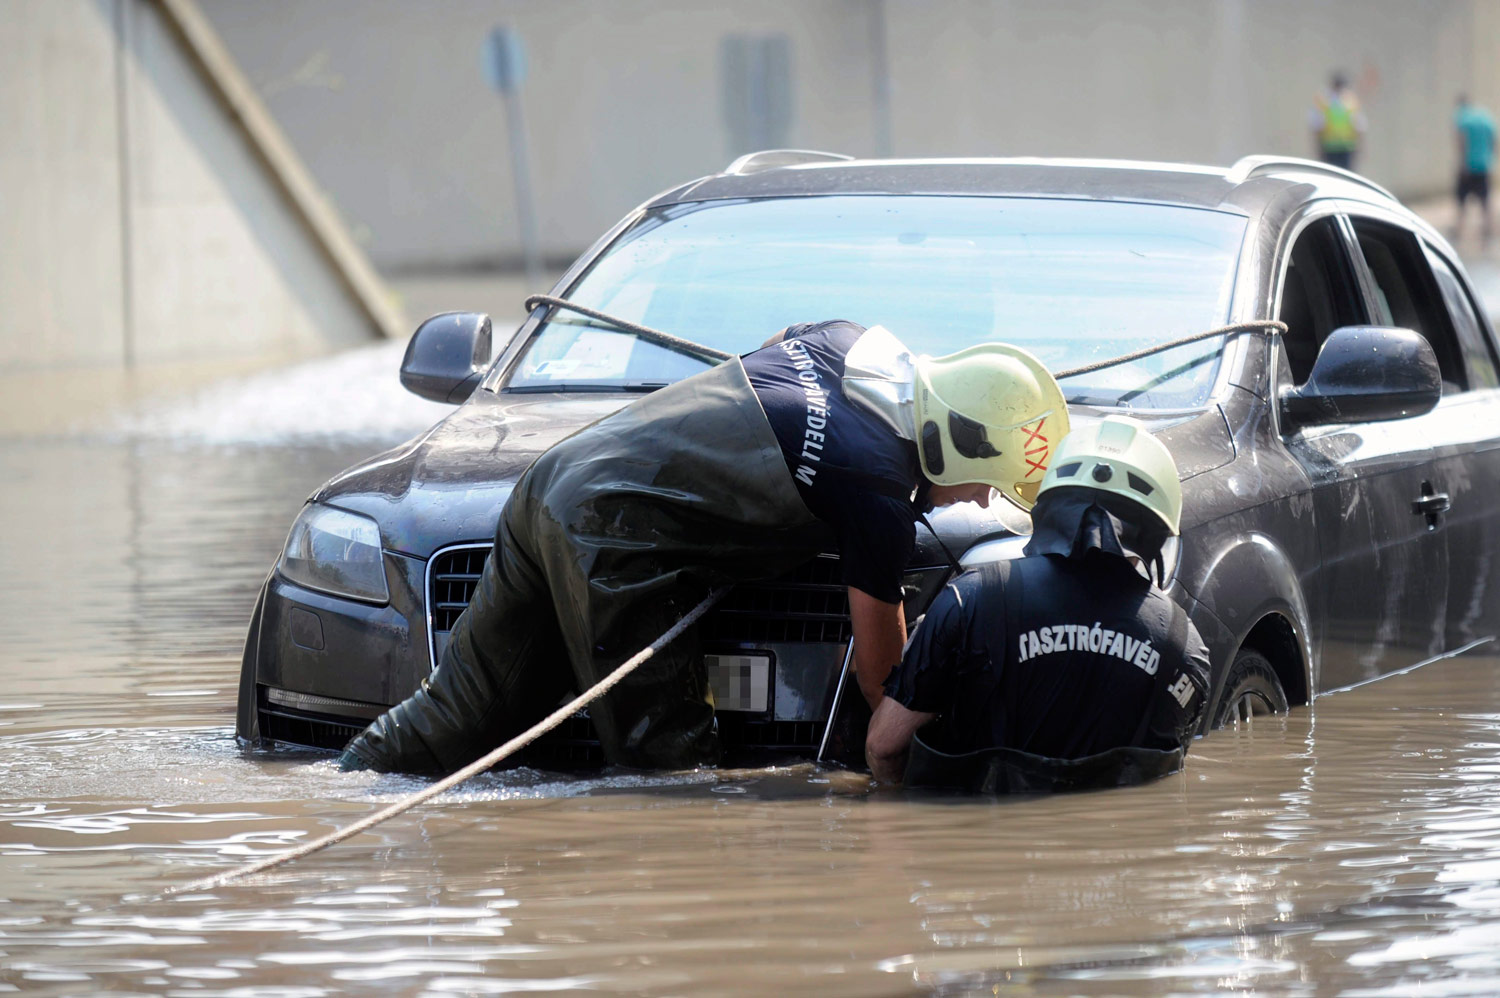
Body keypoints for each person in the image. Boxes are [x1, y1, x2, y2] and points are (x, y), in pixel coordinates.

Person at [339, 320, 1069, 774]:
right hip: (614, 545)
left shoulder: (847, 341)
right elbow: (885, 681)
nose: (980, 500)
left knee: (456, 712)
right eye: (987, 483)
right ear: (951, 440)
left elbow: (783, 342)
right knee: (669, 776)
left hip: (551, 480)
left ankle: (336, 789)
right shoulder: (876, 489)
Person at [865, 415, 1210, 793]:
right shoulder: (1185, 647)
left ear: (1048, 505)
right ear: (1156, 529)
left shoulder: (969, 601)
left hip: (982, 840)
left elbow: (884, 749)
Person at [1453, 95, 1496, 245]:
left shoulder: (1463, 119)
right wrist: (1491, 160)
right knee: (1485, 200)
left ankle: (1459, 230)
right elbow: (1493, 141)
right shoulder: (1486, 118)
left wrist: (1462, 164)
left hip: (1469, 166)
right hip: (1483, 165)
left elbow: (1462, 142)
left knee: (1461, 199)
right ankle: (1487, 230)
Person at [1309, 72, 1365, 170]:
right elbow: (1359, 127)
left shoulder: (1327, 101)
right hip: (1337, 148)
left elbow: (1317, 127)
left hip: (1339, 148)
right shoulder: (1348, 101)